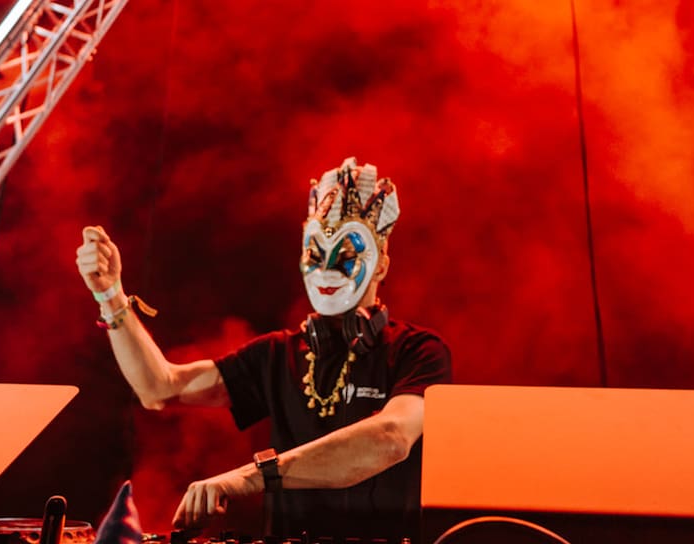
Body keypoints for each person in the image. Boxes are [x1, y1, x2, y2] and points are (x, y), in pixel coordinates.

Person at [75, 157, 452, 539]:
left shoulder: (418, 351)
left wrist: (252, 477)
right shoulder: (277, 353)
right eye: (315, 254)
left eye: (345, 257)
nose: (327, 271)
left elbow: (390, 439)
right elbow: (159, 388)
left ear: (381, 264)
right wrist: (110, 295)